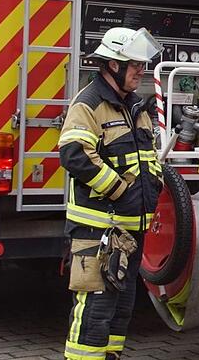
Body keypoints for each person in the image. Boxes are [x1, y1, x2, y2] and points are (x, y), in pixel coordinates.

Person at [59, 27, 164, 360]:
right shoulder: (89, 103)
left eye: (142, 64)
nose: (141, 71)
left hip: (129, 232)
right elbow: (74, 154)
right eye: (135, 64)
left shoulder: (135, 107)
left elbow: (148, 157)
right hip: (99, 230)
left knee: (120, 311)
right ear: (113, 65)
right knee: (95, 311)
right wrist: (120, 191)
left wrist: (155, 186)